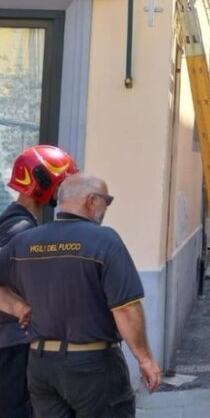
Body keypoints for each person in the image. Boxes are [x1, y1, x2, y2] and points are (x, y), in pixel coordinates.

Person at [0, 173, 162, 416]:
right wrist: (145, 359)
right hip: (94, 366)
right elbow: (126, 308)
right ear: (91, 200)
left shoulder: (25, 242)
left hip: (41, 367)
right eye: (107, 201)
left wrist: (19, 308)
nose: (106, 207)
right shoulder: (104, 240)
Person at [0, 145, 78, 418]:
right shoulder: (19, 228)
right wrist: (21, 308)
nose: (62, 189)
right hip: (11, 345)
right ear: (42, 181)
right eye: (60, 182)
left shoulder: (19, 222)